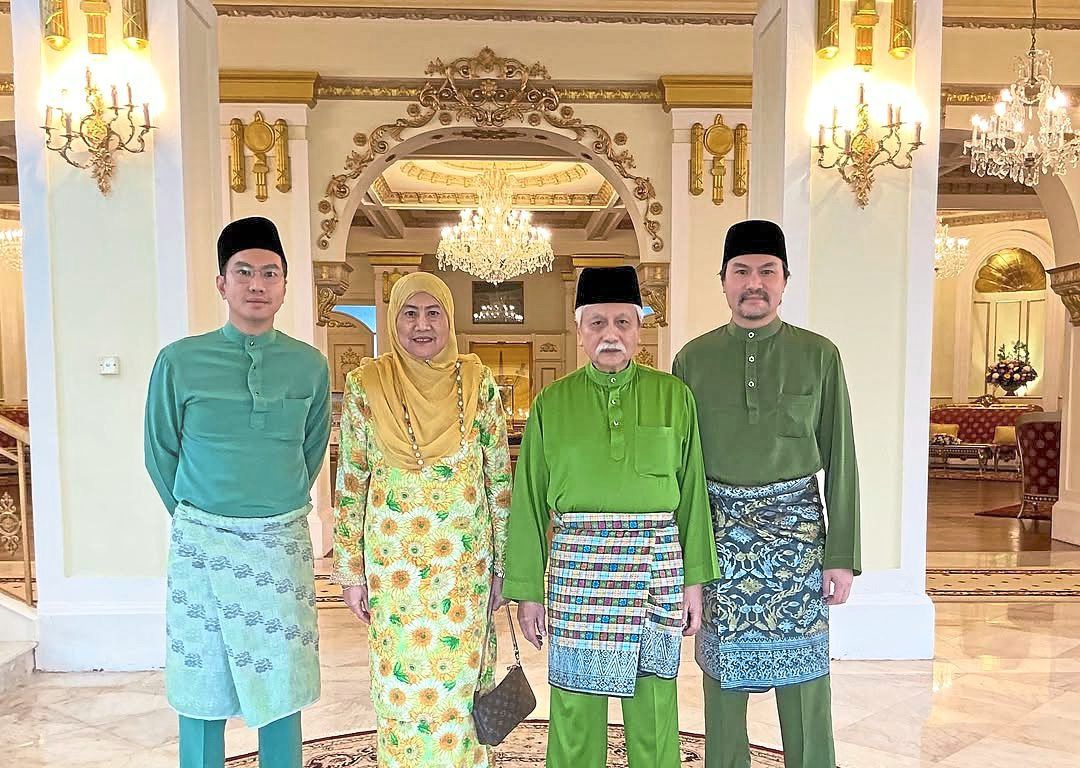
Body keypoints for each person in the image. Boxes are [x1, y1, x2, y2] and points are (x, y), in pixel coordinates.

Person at [503, 265, 719, 768]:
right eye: (597, 323)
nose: (611, 335)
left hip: (655, 570)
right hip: (578, 572)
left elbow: (691, 496)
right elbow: (530, 501)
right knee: (575, 707)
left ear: (640, 329)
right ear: (579, 332)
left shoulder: (674, 397)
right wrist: (528, 592)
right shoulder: (551, 404)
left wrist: (695, 583)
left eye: (623, 322)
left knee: (654, 704)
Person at [144, 216, 331, 768]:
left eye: (270, 273)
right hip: (202, 545)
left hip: (279, 547)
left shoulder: (309, 366)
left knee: (282, 684)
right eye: (244, 271)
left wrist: (270, 503)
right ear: (221, 283)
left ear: (284, 285)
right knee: (201, 681)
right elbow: (160, 452)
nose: (257, 284)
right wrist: (199, 515)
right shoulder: (180, 361)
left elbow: (310, 448)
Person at [673, 219, 861, 768]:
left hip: (798, 544)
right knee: (723, 683)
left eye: (766, 271)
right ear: (723, 281)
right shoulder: (692, 360)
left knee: (805, 684)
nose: (754, 283)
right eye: (741, 271)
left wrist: (842, 555)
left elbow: (842, 458)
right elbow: (682, 471)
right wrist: (689, 562)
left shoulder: (819, 355)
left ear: (785, 281)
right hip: (719, 539)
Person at [333, 272, 512, 768]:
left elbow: (499, 481)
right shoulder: (367, 384)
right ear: (394, 320)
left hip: (464, 570)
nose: (422, 325)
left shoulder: (478, 383)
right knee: (401, 686)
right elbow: (352, 483)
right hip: (396, 575)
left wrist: (502, 567)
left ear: (449, 319)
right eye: (409, 313)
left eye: (434, 313)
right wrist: (350, 572)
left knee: (460, 689)